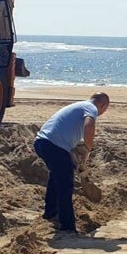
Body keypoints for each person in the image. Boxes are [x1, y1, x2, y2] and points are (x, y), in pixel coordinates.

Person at [34, 92, 110, 233]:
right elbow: (89, 125)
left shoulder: (80, 105)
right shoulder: (91, 108)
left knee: (56, 177)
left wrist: (80, 162)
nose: (103, 113)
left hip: (42, 142)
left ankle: (50, 213)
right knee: (65, 184)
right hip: (53, 145)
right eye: (105, 110)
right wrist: (88, 147)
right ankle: (67, 227)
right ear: (103, 105)